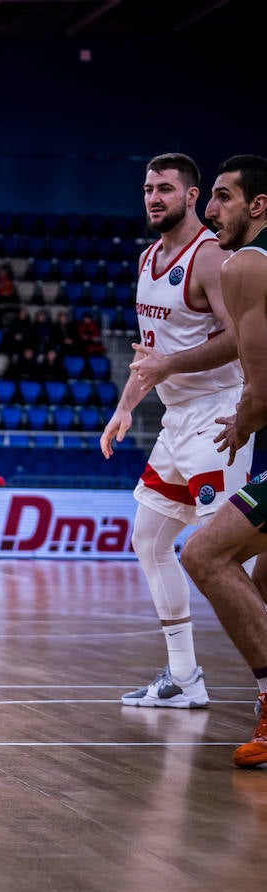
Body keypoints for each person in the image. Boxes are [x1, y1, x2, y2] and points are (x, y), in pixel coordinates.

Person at [99, 153, 245, 710]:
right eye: (146, 188)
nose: (153, 198)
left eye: (165, 188)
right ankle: (184, 676)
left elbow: (241, 339)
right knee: (149, 540)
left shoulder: (211, 258)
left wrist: (167, 370)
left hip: (219, 416)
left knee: (237, 557)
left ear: (192, 195)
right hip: (175, 420)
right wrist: (125, 407)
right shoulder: (146, 260)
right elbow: (151, 356)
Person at [179, 153, 267, 767]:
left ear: (258, 206)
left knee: (204, 553)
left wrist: (242, 421)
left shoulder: (247, 267)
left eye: (223, 198)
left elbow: (263, 393)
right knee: (261, 587)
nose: (210, 212)